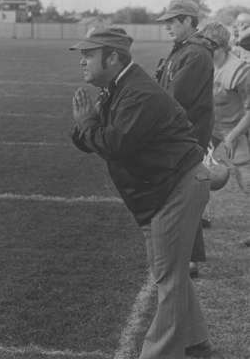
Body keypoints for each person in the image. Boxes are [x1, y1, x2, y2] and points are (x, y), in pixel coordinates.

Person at [70, 27, 213, 358]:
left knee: (169, 277)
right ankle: (196, 343)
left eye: (89, 55)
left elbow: (116, 144)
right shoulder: (118, 87)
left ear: (114, 57)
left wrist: (89, 125)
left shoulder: (137, 93)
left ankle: (160, 353)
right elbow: (91, 135)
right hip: (168, 188)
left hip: (177, 188)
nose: (82, 61)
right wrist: (87, 125)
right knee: (171, 275)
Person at [156, 0, 214, 277]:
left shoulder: (195, 54)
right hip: (179, 136)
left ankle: (189, 259)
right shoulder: (184, 50)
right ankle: (188, 256)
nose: (167, 26)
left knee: (183, 196)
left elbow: (175, 97)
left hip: (185, 138)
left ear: (190, 21)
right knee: (179, 195)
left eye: (173, 21)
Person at [201, 22, 250, 246]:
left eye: (205, 45)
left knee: (246, 179)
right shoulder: (203, 64)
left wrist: (232, 136)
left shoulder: (240, 70)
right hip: (210, 126)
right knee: (195, 171)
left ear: (218, 46)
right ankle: (201, 214)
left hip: (234, 127)